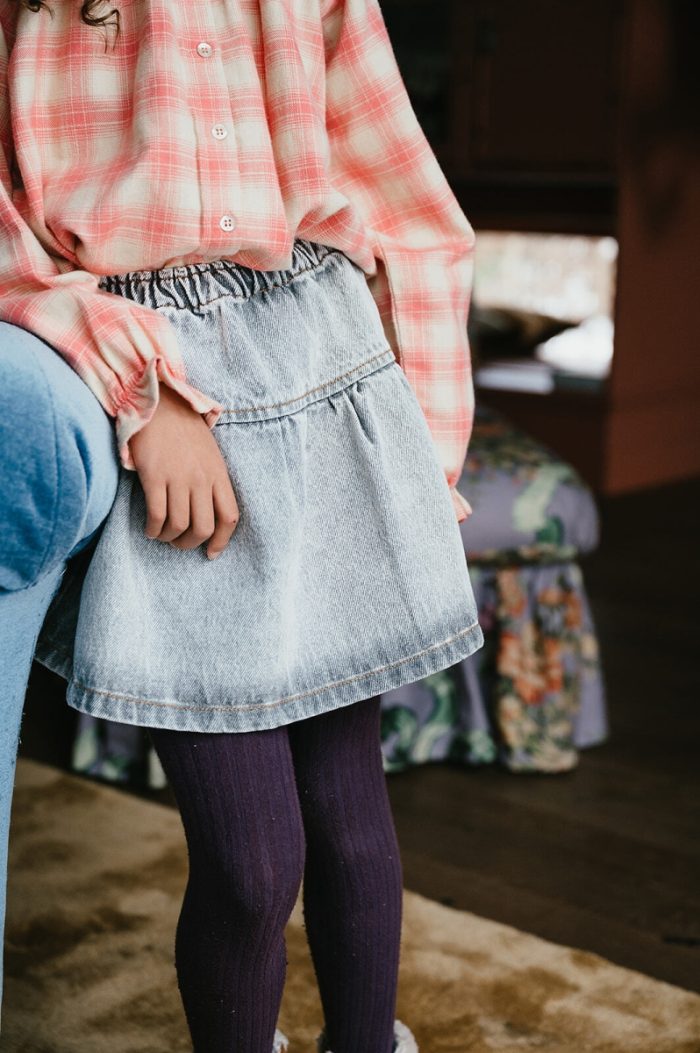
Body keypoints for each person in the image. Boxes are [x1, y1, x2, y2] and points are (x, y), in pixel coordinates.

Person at [0, 0, 484, 1050]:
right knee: (253, 863)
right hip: (162, 386)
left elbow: (412, 214)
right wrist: (144, 394)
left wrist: (429, 453)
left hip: (328, 368)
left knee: (354, 830)